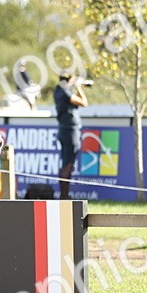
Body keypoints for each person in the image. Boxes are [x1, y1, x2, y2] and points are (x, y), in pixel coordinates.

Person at [53, 72, 88, 200]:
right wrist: (78, 87)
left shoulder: (58, 90)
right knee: (68, 164)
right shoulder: (65, 93)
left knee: (66, 163)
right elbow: (84, 103)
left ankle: (64, 194)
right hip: (70, 131)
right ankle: (64, 195)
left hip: (64, 130)